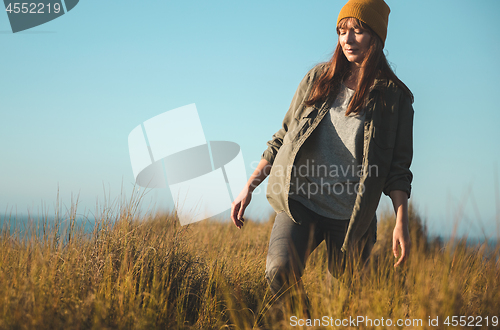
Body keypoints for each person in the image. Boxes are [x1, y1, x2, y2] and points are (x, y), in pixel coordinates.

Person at [231, 0, 414, 315]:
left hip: (350, 218)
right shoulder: (318, 79)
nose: (348, 39)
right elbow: (283, 135)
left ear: (377, 37)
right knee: (279, 271)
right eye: (343, 31)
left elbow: (397, 170)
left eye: (358, 31)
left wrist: (401, 222)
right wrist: (250, 184)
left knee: (348, 305)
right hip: (301, 202)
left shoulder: (394, 99)